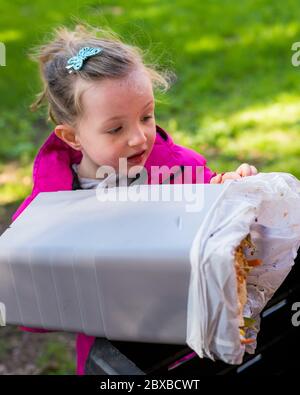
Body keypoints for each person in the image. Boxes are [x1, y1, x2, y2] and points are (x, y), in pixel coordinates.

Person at [11, 24, 258, 375]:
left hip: (194, 340)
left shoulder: (178, 168)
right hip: (121, 357)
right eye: (116, 129)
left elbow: (211, 215)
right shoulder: (50, 213)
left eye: (146, 116)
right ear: (72, 136)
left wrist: (229, 190)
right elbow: (33, 304)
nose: (140, 137)